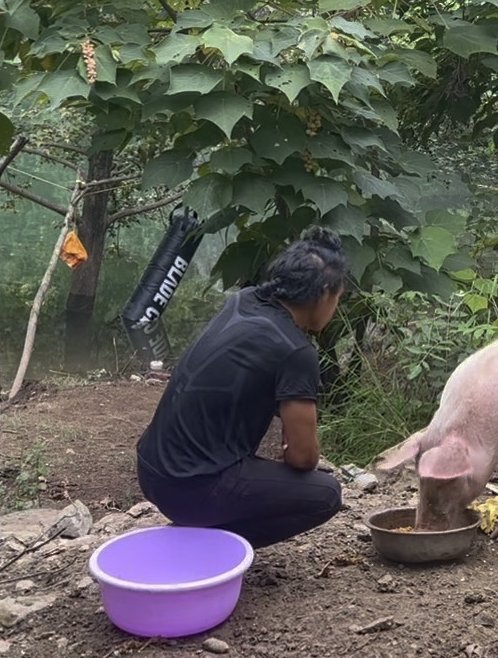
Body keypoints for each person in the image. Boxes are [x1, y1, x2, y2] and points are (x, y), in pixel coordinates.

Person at [134, 226, 347, 549]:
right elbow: (304, 459)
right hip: (191, 488)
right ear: (325, 294)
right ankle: (213, 549)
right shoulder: (296, 352)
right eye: (338, 298)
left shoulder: (244, 302)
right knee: (325, 494)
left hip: (151, 470)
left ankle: (202, 531)